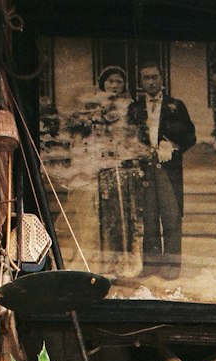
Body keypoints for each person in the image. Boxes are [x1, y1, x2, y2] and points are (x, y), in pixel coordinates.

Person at [128, 62, 196, 281]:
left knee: (171, 215)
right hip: (145, 168)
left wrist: (173, 146)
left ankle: (171, 264)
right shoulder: (134, 107)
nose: (151, 82)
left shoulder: (176, 105)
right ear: (141, 82)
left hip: (169, 169)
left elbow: (190, 137)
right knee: (148, 216)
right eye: (146, 78)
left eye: (155, 77)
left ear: (162, 79)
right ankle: (150, 264)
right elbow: (127, 137)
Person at [93, 66, 141, 279]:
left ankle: (124, 262)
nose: (114, 85)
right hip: (102, 167)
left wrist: (126, 151)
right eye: (110, 81)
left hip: (123, 166)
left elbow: (136, 135)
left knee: (124, 215)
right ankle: (106, 263)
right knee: (106, 216)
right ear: (103, 83)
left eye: (119, 82)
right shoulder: (95, 106)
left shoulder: (130, 107)